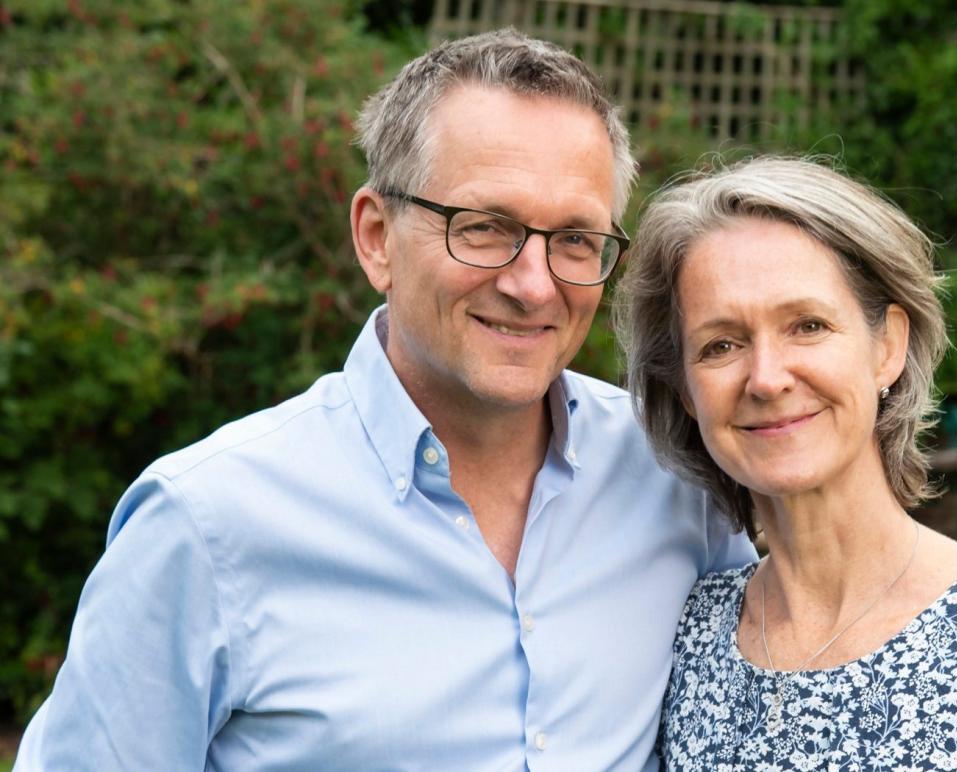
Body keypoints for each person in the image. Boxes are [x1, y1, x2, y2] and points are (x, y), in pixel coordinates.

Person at [15, 29, 754, 771]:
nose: (534, 285)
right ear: (376, 238)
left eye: (573, 240)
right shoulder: (204, 528)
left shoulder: (675, 473)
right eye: (485, 227)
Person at [615, 157, 957, 770]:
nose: (766, 378)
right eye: (722, 345)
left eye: (807, 326)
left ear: (887, 347)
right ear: (686, 390)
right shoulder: (685, 636)